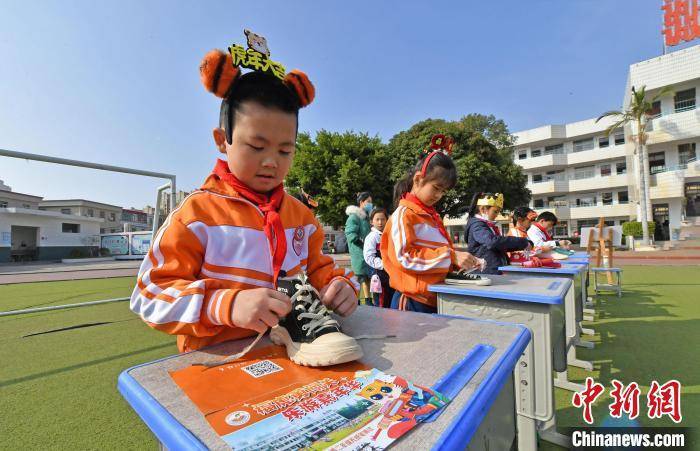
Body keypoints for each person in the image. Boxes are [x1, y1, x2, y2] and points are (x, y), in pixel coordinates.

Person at [130, 40, 359, 366]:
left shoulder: (301, 216)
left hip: (297, 356)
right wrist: (226, 305)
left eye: (285, 151)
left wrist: (340, 285)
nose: (271, 162)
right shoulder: (195, 215)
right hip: (218, 362)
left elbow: (319, 269)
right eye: (256, 146)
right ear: (222, 140)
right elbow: (149, 296)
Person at [381, 134, 480, 313]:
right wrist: (451, 257)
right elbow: (405, 258)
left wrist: (461, 261)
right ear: (418, 180)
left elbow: (436, 255)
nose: (439, 195)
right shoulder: (403, 215)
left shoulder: (431, 216)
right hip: (412, 301)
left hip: (433, 298)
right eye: (436, 188)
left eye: (443, 191)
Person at [465, 193, 531, 274]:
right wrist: (523, 242)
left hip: (491, 270)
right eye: (495, 212)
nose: (496, 215)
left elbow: (500, 245)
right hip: (485, 272)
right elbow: (492, 242)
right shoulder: (477, 225)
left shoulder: (486, 225)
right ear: (483, 209)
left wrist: (523, 244)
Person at [363, 207, 394, 308]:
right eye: (377, 219)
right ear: (372, 222)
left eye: (383, 219)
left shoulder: (390, 235)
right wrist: (384, 265)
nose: (380, 222)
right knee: (381, 304)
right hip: (379, 276)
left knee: (392, 303)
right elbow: (369, 257)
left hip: (391, 275)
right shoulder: (372, 237)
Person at [345, 191, 373, 305]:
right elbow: (350, 233)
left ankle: (367, 300)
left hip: (366, 252)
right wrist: (362, 242)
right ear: (361, 202)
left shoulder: (366, 218)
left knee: (367, 278)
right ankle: (357, 301)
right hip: (359, 253)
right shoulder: (354, 217)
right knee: (359, 278)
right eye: (368, 202)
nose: (371, 204)